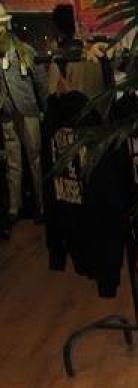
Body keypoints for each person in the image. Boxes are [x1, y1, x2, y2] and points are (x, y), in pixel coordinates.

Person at [0, 3, 46, 229]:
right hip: (7, 113)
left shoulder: (25, 50)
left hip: (28, 111)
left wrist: (44, 108)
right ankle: (14, 207)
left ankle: (41, 205)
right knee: (13, 162)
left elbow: (40, 81)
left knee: (35, 159)